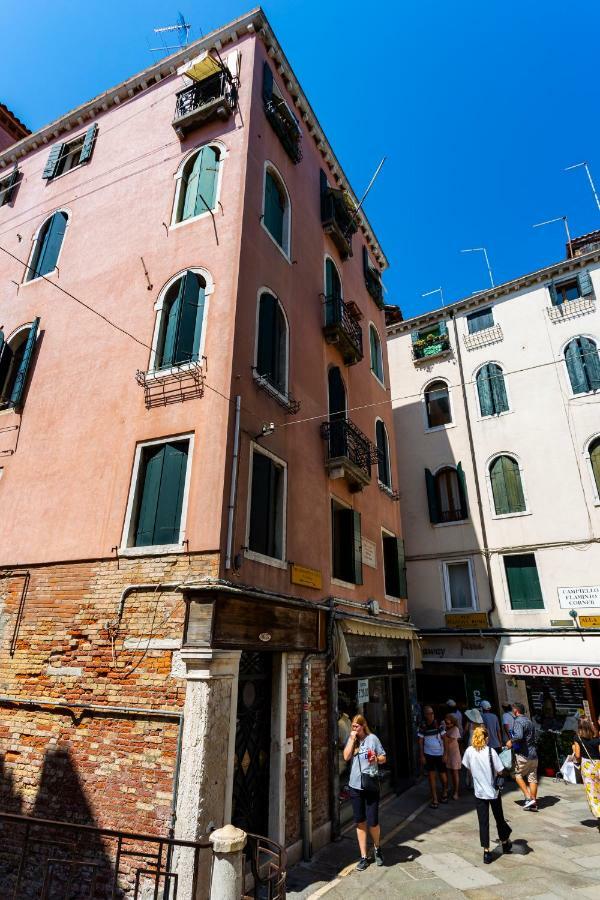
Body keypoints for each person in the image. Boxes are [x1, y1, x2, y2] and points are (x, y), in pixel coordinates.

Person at [462, 725, 513, 864]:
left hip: (479, 792)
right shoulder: (491, 752)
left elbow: (467, 767)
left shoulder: (469, 751)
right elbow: (501, 770)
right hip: (493, 791)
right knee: (499, 818)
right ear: (486, 738)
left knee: (483, 822)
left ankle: (486, 852)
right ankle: (504, 842)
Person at [343, 714, 386, 871]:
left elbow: (383, 758)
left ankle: (377, 847)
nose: (354, 728)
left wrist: (376, 758)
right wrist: (351, 739)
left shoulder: (372, 739)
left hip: (371, 785)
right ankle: (363, 856)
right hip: (355, 786)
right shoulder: (352, 742)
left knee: (373, 821)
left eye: (356, 726)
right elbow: (346, 757)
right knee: (360, 821)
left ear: (363, 726)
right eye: (352, 726)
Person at [505, 702, 538, 811]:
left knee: (516, 774)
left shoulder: (518, 721)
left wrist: (511, 741)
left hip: (523, 754)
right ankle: (533, 803)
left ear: (516, 711)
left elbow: (518, 736)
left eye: (513, 709)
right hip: (533, 754)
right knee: (532, 778)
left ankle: (528, 798)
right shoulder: (529, 721)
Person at [572, 717, 600, 832]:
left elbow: (578, 756)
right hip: (598, 765)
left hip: (588, 768)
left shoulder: (577, 738)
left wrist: (573, 750)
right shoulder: (597, 738)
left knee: (592, 793)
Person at [418, 705, 448, 808]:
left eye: (432, 713)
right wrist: (422, 755)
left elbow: (445, 739)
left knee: (443, 777)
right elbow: (420, 741)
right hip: (428, 754)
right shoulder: (423, 725)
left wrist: (445, 754)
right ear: (425, 715)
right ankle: (435, 799)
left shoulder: (438, 724)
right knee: (431, 777)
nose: (431, 715)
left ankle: (444, 791)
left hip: (440, 753)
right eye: (429, 713)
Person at [443, 713, 462, 799]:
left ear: (453, 723)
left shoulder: (455, 729)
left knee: (455, 773)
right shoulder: (445, 729)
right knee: (449, 773)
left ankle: (456, 792)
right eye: (446, 723)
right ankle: (450, 788)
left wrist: (444, 737)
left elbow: (448, 741)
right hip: (447, 753)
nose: (447, 724)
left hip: (454, 753)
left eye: (448, 723)